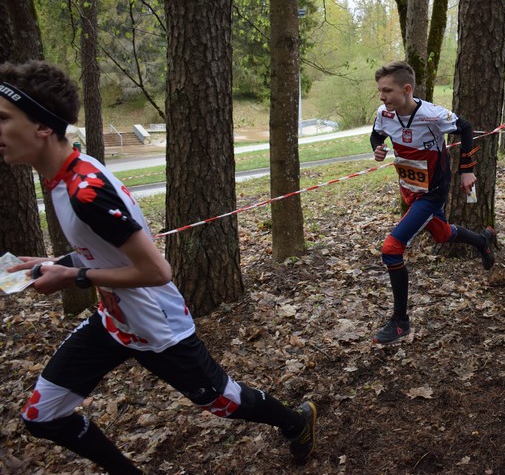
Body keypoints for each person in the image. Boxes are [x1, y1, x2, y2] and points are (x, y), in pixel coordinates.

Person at [0, 60, 317, 473]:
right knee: (42, 416)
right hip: (114, 321)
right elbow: (105, 251)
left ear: (43, 126)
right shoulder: (65, 176)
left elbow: (157, 272)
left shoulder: (86, 192)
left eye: (5, 119)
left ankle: (297, 422)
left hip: (157, 325)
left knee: (221, 401)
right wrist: (51, 262)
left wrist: (73, 276)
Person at [370, 60, 495, 344]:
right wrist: (377, 148)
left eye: (387, 91)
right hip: (409, 188)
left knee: (391, 249)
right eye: (379, 91)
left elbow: (466, 127)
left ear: (406, 89)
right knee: (441, 233)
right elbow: (376, 133)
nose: (382, 97)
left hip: (433, 191)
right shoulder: (384, 113)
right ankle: (482, 241)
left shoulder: (432, 115)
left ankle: (400, 321)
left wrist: (466, 169)